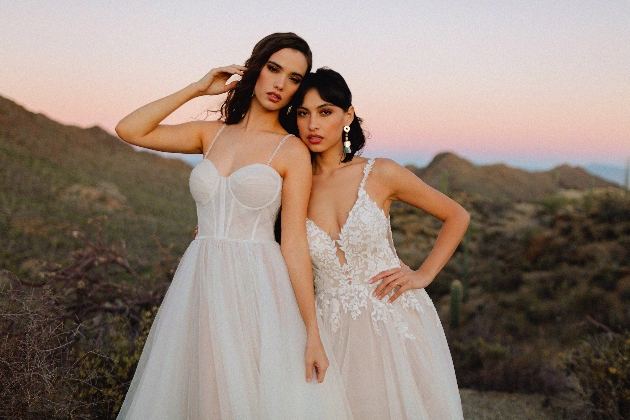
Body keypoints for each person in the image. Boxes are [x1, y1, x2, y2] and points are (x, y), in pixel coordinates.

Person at [115, 34, 352, 420]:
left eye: (294, 78)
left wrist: (311, 331)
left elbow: (292, 243)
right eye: (274, 69)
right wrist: (196, 89)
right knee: (202, 391)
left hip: (258, 286)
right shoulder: (211, 135)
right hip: (201, 279)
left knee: (251, 396)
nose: (279, 84)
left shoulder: (291, 150)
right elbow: (130, 129)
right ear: (254, 68)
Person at [290, 68, 468, 419]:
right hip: (328, 328)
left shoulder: (380, 172)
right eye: (303, 113)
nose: (313, 124)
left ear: (347, 115)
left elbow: (456, 215)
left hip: (395, 319)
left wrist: (424, 274)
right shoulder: (292, 186)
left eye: (325, 112)